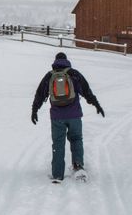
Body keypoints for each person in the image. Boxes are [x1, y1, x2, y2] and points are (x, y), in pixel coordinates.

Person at [31, 52, 104, 182]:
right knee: (76, 139)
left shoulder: (50, 76)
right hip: (74, 115)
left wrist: (34, 110)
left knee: (58, 143)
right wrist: (96, 104)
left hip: (57, 117)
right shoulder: (74, 74)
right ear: (66, 60)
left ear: (55, 61)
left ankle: (57, 174)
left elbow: (40, 94)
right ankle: (78, 167)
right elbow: (86, 91)